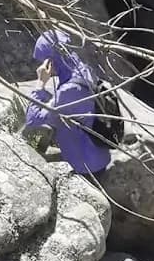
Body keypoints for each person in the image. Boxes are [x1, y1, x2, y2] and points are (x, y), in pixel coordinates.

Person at [23, 29, 111, 177]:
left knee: (33, 130)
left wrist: (40, 84)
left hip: (88, 165)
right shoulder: (83, 69)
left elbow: (33, 121)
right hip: (97, 153)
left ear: (50, 61)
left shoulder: (70, 89)